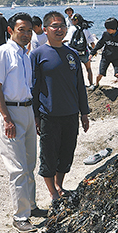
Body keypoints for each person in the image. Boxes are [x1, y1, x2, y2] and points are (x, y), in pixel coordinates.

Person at [0, 12, 47, 233]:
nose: (26, 34)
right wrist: (6, 118)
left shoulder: (25, 54)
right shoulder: (2, 53)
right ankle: (20, 216)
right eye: (21, 29)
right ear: (10, 30)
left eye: (29, 30)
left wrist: (34, 115)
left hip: (27, 112)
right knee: (17, 168)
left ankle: (31, 206)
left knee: (30, 163)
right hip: (10, 113)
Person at [30, 11, 90, 201]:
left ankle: (59, 185)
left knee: (66, 154)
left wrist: (84, 113)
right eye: (54, 26)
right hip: (49, 114)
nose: (59, 29)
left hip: (71, 113)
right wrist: (35, 115)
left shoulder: (72, 54)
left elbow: (80, 85)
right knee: (48, 155)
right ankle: (53, 193)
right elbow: (33, 87)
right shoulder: (37, 54)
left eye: (62, 26)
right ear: (45, 30)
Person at [63, 12, 95, 86]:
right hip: (84, 52)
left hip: (74, 53)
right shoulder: (86, 29)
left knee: (74, 70)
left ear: (76, 21)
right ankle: (91, 84)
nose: (71, 21)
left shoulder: (72, 28)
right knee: (88, 69)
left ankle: (75, 84)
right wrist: (94, 51)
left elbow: (67, 39)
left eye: (72, 20)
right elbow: (92, 42)